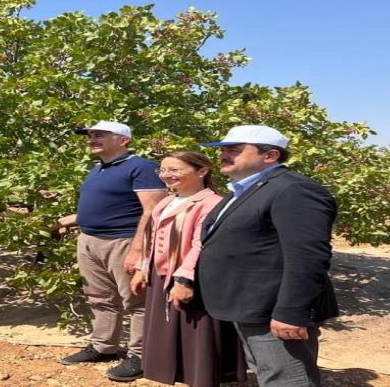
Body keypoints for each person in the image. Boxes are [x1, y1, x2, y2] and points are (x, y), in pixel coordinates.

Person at [198, 125, 339, 386]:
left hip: (273, 309)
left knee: (287, 380)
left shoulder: (293, 190)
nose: (224, 155)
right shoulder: (246, 189)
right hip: (250, 304)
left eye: (235, 150)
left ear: (271, 156)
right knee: (268, 373)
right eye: (223, 149)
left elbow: (308, 257)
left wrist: (291, 312)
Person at [54, 121, 167, 382]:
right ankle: (104, 347)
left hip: (124, 242)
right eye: (91, 135)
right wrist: (59, 222)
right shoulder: (98, 168)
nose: (92, 139)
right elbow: (97, 208)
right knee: (99, 297)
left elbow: (153, 212)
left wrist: (138, 250)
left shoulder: (142, 167)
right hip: (90, 240)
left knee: (137, 301)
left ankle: (141, 355)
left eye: (100, 135)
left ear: (123, 140)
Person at [130, 151, 246, 386]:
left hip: (192, 277)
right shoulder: (166, 201)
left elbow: (200, 244)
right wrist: (142, 269)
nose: (166, 175)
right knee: (167, 329)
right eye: (162, 170)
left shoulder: (212, 203)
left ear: (202, 171)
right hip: (161, 274)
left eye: (174, 170)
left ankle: (201, 378)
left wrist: (184, 280)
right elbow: (149, 239)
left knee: (196, 330)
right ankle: (176, 374)